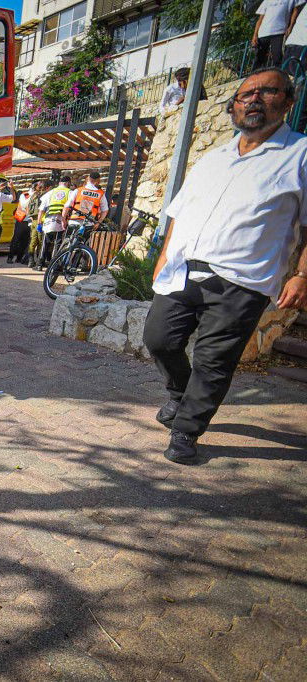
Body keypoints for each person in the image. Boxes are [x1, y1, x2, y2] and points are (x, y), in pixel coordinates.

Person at [144, 68, 307, 465]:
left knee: (214, 361)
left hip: (242, 279)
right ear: (233, 107)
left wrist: (302, 273)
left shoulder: (301, 154)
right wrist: (164, 257)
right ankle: (181, 394)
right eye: (244, 94)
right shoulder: (213, 157)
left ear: (287, 101)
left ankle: (187, 429)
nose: (253, 99)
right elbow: (179, 214)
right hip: (183, 269)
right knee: (158, 339)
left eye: (266, 91)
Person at [253, 0, 305, 69]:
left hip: (279, 32)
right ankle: (253, 76)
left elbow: (296, 11)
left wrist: (290, 27)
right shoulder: (267, 1)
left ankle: (279, 76)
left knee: (278, 58)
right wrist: (255, 35)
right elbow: (260, 19)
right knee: (258, 59)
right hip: (263, 33)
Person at [35, 175, 72, 269]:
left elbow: (41, 209)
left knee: (45, 243)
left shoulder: (51, 192)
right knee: (58, 243)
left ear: (59, 183)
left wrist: (39, 223)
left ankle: (39, 264)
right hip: (61, 220)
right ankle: (54, 265)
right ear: (68, 183)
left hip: (48, 220)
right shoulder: (69, 192)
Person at [7, 181, 39, 265]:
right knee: (16, 239)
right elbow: (25, 205)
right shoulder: (25, 195)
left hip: (29, 221)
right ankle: (10, 257)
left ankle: (19, 258)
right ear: (35, 187)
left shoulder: (36, 195)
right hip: (22, 220)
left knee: (25, 241)